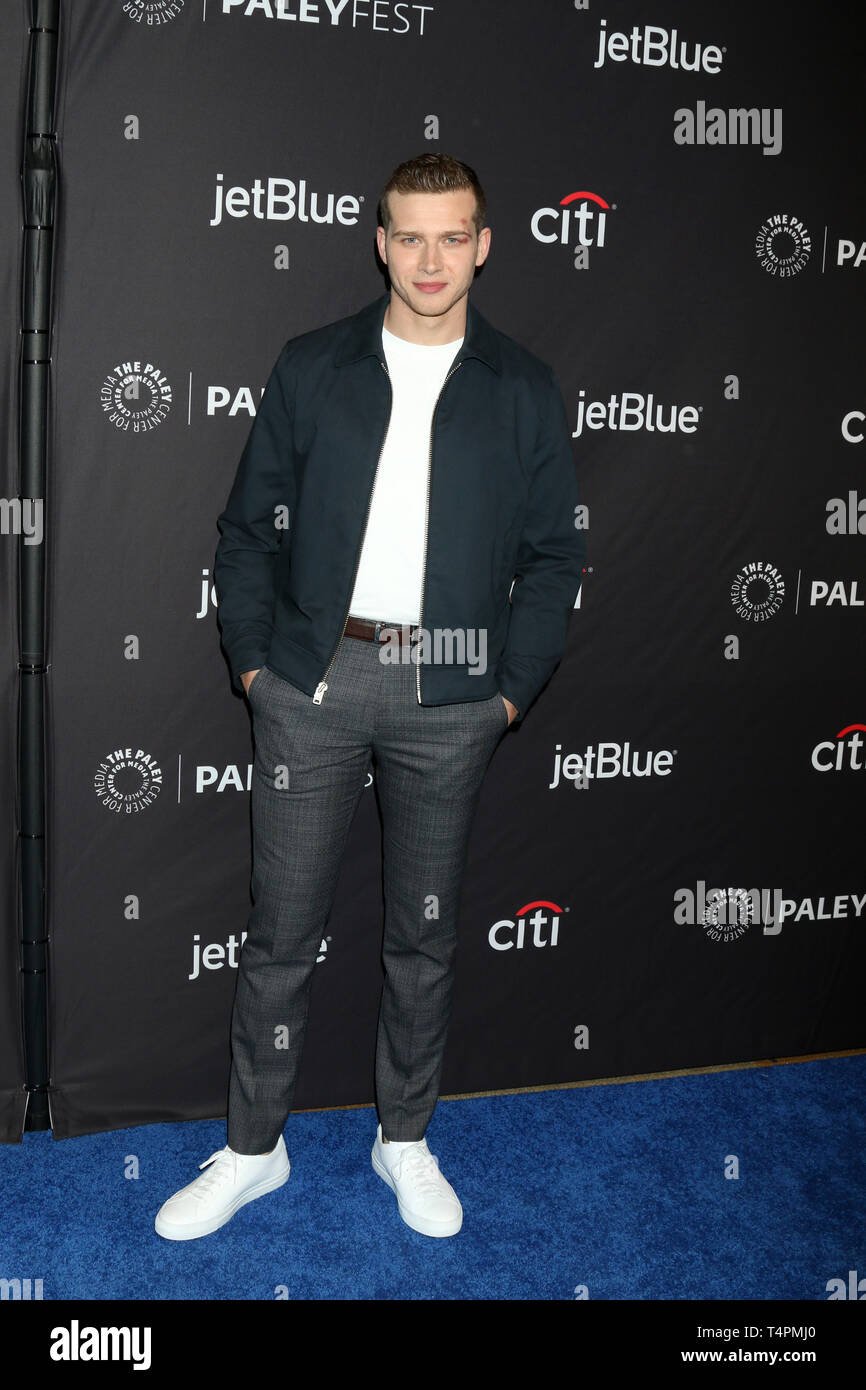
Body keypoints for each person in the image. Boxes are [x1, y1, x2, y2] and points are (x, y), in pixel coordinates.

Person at [155, 152, 584, 1242]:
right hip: (313, 680)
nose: (430, 258)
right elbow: (245, 529)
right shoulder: (313, 365)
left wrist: (506, 697)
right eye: (409, 235)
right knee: (280, 934)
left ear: (482, 244)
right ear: (380, 243)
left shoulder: (523, 387)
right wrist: (256, 665)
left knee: (423, 938)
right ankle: (254, 1148)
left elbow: (553, 559)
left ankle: (405, 1138)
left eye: (453, 236)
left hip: (454, 690)